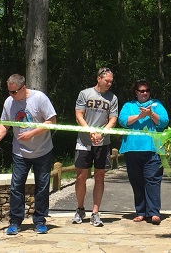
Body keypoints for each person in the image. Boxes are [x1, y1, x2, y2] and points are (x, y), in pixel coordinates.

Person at [0, 74, 56, 235]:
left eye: (14, 92)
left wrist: (32, 133)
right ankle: (15, 221)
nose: (11, 95)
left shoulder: (39, 98)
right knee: (16, 186)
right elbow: (5, 123)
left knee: (42, 187)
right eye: (9, 92)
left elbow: (52, 121)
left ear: (23, 88)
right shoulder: (9, 102)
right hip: (19, 152)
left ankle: (39, 220)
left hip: (42, 150)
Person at [118, 79, 169, 224]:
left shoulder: (156, 105)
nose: (144, 93)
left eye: (147, 90)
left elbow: (164, 122)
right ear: (136, 92)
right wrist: (140, 116)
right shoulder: (129, 106)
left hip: (152, 149)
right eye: (141, 91)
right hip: (132, 149)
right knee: (136, 181)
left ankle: (153, 213)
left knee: (152, 180)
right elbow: (123, 121)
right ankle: (140, 212)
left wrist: (151, 115)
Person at [73, 67, 118, 227]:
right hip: (84, 141)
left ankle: (95, 212)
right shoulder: (85, 94)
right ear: (98, 78)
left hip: (103, 143)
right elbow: (79, 115)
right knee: (81, 176)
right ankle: (79, 208)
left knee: (99, 176)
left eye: (111, 82)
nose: (109, 84)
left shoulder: (112, 98)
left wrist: (102, 133)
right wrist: (90, 130)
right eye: (107, 81)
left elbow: (113, 119)